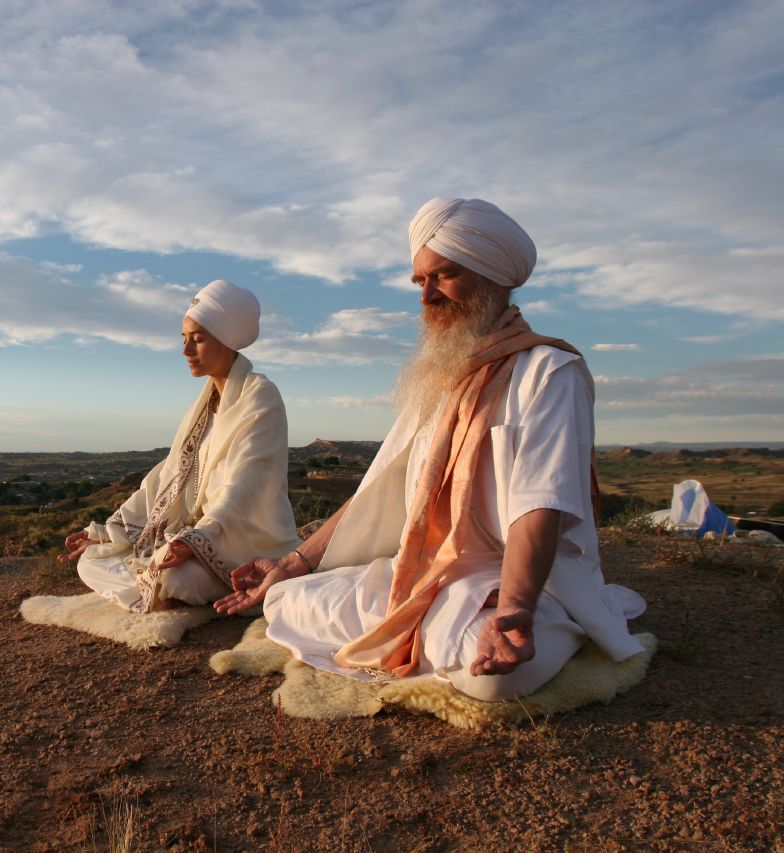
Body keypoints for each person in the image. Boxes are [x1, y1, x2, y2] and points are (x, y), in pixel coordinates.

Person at [214, 198, 646, 701]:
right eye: (420, 281)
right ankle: (449, 635)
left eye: (444, 276)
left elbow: (540, 504)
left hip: (522, 583)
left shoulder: (549, 373)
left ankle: (536, 630)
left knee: (493, 678)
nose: (427, 297)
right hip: (426, 571)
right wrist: (292, 564)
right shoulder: (443, 379)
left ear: (492, 277)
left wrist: (514, 612)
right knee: (285, 599)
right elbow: (385, 488)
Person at [62, 279, 301, 613]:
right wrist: (107, 532)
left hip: (241, 539)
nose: (186, 351)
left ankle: (159, 591)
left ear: (227, 340)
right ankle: (154, 592)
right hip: (191, 534)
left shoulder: (260, 397)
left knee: (177, 579)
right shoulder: (202, 407)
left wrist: (198, 540)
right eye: (184, 339)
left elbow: (246, 485)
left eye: (198, 340)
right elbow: (167, 475)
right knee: (90, 560)